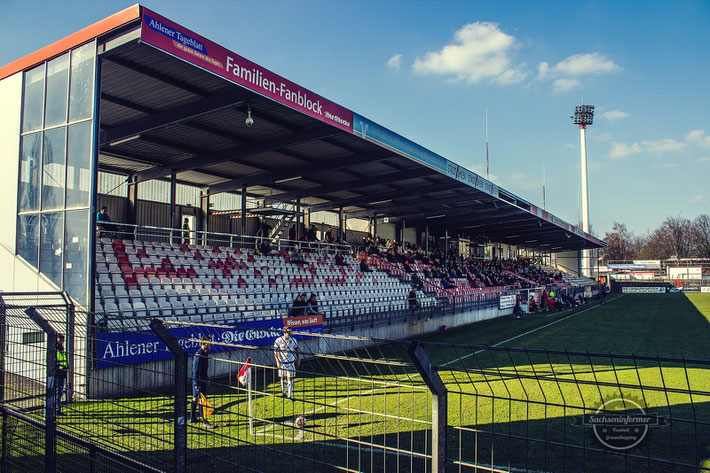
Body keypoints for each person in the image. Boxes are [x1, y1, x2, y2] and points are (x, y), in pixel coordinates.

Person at [191, 336, 214, 428]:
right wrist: (196, 383)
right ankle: (205, 421)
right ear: (204, 344)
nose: (210, 345)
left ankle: (192, 417)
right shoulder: (199, 355)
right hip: (199, 381)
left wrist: (207, 378)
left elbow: (204, 369)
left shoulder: (205, 353)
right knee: (202, 401)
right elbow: (195, 370)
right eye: (209, 343)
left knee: (195, 399)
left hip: (202, 379)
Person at [45, 333, 68, 418]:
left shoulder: (62, 348)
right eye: (61, 339)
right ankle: (48, 412)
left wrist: (66, 367)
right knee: (52, 392)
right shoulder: (53, 348)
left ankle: (57, 410)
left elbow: (64, 359)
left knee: (60, 392)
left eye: (63, 340)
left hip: (62, 373)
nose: (62, 341)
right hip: (55, 373)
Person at [273, 327, 300, 399]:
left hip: (290, 362)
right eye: (288, 332)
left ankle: (289, 395)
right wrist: (277, 361)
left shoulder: (293, 340)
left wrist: (298, 360)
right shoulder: (278, 340)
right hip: (282, 362)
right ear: (284, 332)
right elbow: (275, 351)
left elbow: (297, 350)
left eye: (290, 331)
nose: (290, 333)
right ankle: (284, 393)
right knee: (282, 377)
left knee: (289, 378)